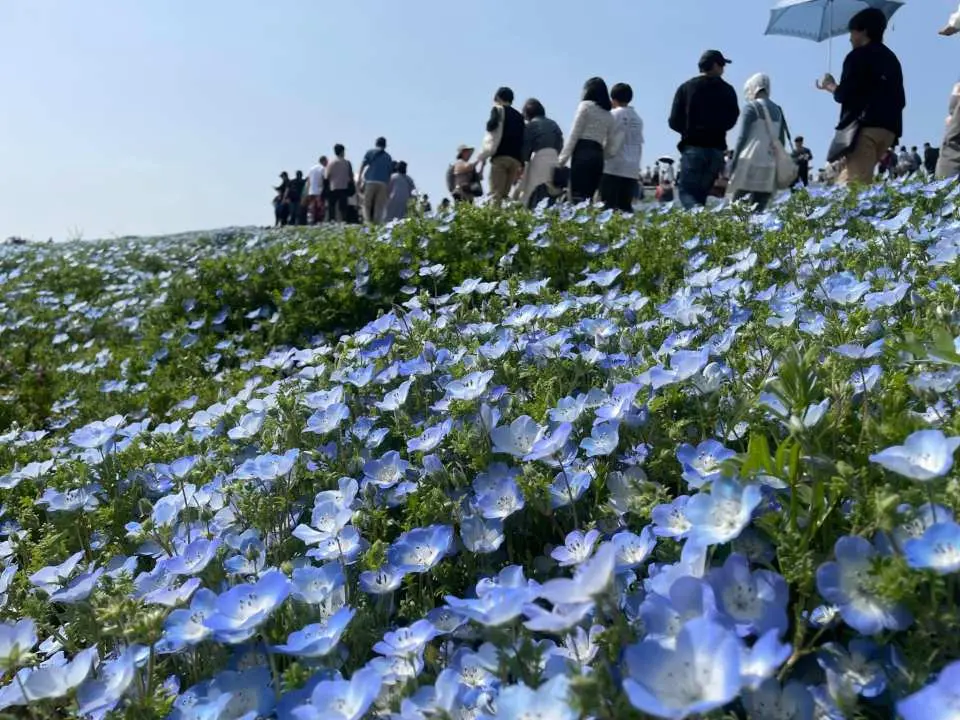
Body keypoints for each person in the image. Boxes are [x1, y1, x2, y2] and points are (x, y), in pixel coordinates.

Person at [816, 8, 905, 185]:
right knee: (849, 177)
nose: (850, 38)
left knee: (856, 187)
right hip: (889, 129)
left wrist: (830, 85)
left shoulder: (856, 56)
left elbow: (843, 95)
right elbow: (900, 98)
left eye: (852, 32)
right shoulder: (891, 58)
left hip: (864, 129)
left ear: (863, 31)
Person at [669, 50, 740, 209]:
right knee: (700, 195)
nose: (723, 68)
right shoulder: (727, 90)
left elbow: (673, 121)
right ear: (715, 65)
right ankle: (700, 225)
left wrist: (687, 130)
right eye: (722, 64)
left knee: (686, 193)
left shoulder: (686, 88)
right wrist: (717, 128)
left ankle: (699, 216)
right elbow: (732, 119)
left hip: (693, 148)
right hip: (716, 151)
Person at [728, 73, 789, 211]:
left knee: (738, 207)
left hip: (750, 163)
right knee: (759, 210)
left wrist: (734, 163)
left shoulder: (751, 107)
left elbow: (742, 138)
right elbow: (781, 142)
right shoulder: (778, 110)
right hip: (769, 164)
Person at [558, 77, 623, 203]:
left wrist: (562, 159)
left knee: (577, 198)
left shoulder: (585, 106)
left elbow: (574, 134)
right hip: (598, 156)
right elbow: (611, 146)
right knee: (588, 200)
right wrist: (602, 155)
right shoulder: (609, 115)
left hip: (582, 152)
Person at [475, 87, 525, 203]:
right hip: (515, 161)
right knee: (505, 196)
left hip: (500, 157)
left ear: (497, 97)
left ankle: (493, 220)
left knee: (495, 194)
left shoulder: (498, 109)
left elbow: (491, 126)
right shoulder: (520, 117)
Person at [601, 83, 644, 212]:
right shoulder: (638, 119)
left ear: (612, 98)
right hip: (632, 169)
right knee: (625, 208)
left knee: (609, 208)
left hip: (613, 167)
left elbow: (606, 139)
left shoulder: (613, 114)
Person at [516, 99, 564, 209]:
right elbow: (560, 143)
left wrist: (522, 164)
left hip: (539, 158)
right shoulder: (553, 123)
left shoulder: (531, 125)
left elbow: (526, 147)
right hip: (554, 158)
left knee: (533, 191)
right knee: (552, 191)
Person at [358, 137, 393, 224]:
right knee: (379, 206)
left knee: (367, 204)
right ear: (385, 145)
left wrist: (359, 178)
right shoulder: (388, 157)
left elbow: (363, 164)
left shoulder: (370, 152)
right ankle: (376, 224)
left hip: (371, 181)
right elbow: (389, 173)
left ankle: (367, 222)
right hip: (383, 183)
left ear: (376, 143)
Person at [325, 144, 354, 223]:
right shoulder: (347, 163)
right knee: (343, 207)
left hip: (333, 187)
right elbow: (351, 176)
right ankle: (343, 221)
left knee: (332, 206)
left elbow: (327, 176)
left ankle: (332, 220)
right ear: (342, 151)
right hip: (344, 187)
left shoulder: (331, 163)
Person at [307, 156, 328, 224]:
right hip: (319, 191)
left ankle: (312, 221)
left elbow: (308, 180)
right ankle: (319, 222)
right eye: (326, 161)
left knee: (312, 208)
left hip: (311, 191)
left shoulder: (311, 168)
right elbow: (324, 178)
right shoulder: (322, 168)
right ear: (323, 161)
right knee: (320, 208)